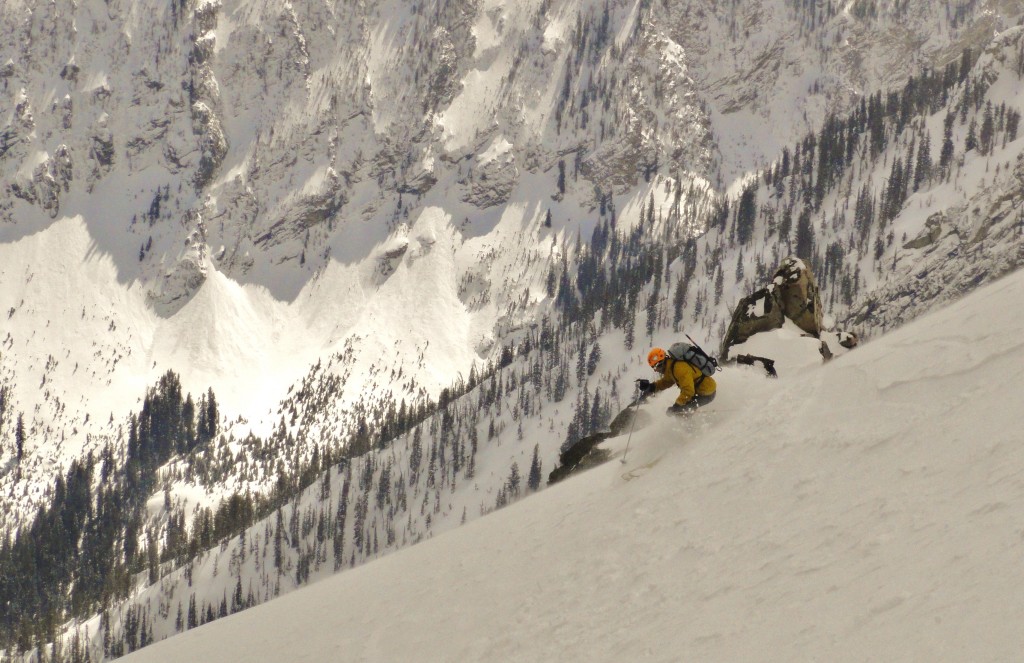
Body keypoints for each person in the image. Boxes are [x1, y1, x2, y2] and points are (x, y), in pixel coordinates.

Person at [637, 347, 716, 415]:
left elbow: (688, 391)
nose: (655, 370)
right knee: (682, 411)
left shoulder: (679, 368)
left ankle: (694, 431)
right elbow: (666, 382)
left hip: (707, 393)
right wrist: (651, 387)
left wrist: (677, 406)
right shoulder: (670, 367)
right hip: (700, 391)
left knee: (682, 412)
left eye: (655, 367)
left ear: (660, 364)